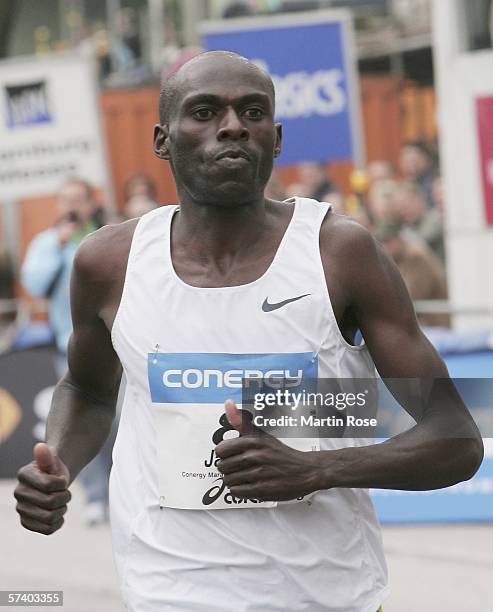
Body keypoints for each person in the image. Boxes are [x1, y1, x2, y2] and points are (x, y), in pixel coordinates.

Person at [14, 51, 483, 612]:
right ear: (163, 141)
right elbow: (87, 390)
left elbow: (456, 438)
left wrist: (318, 469)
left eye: (252, 112)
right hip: (168, 590)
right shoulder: (110, 262)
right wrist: (60, 463)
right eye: (206, 111)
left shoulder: (337, 254)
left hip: (327, 596)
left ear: (276, 138)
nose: (232, 125)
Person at [20, 177, 113, 526]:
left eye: (78, 199)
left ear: (91, 202)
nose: (71, 206)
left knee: (118, 424)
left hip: (116, 344)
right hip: (71, 346)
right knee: (80, 423)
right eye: (65, 200)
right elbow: (34, 285)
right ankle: (96, 498)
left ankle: (121, 494)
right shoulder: (47, 242)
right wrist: (60, 247)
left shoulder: (108, 235)